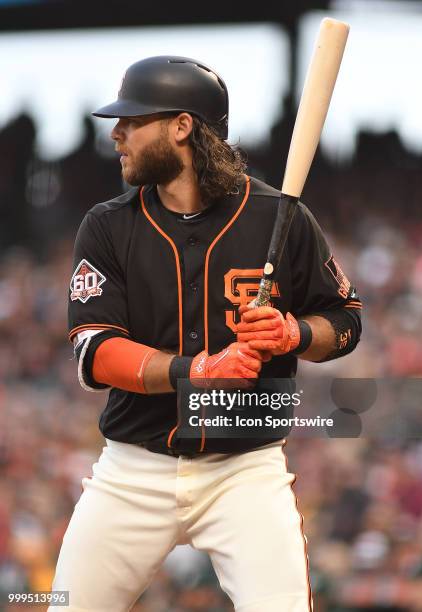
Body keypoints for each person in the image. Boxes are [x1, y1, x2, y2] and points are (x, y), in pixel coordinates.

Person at [51, 55, 362, 612]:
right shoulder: (106, 224)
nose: (117, 134)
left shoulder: (278, 214)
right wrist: (195, 370)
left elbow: (345, 322)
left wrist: (293, 333)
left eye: (133, 121)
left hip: (243, 469)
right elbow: (95, 350)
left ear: (182, 126)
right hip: (133, 468)